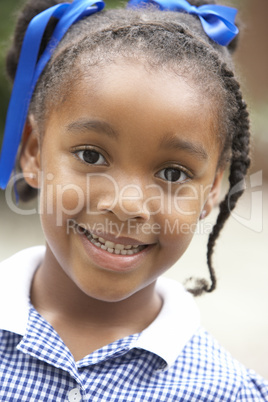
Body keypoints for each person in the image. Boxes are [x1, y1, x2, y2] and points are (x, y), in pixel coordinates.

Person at [0, 0, 267, 400]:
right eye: (91, 156)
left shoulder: (224, 392)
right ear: (34, 152)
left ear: (212, 189)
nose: (127, 204)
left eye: (172, 174)